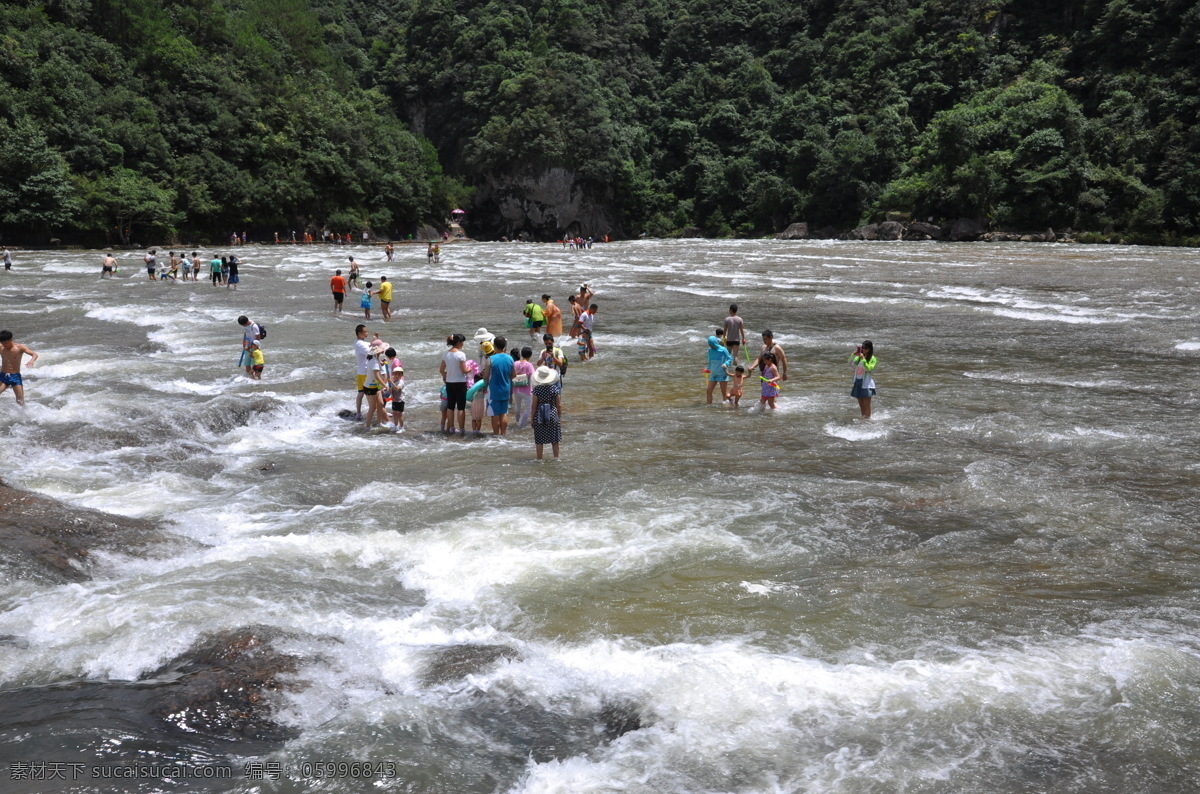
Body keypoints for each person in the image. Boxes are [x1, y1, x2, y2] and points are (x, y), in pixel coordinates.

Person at [439, 333, 470, 434]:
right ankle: (461, 429)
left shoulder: (446, 354)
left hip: (449, 383)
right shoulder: (461, 354)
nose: (463, 344)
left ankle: (451, 428)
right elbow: (464, 370)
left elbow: (441, 369)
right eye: (462, 342)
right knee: (461, 407)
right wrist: (470, 369)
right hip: (460, 383)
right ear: (459, 342)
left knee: (450, 406)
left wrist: (445, 376)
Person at [530, 365, 562, 460]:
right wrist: (559, 416)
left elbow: (534, 407)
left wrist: (532, 419)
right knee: (555, 440)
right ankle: (556, 458)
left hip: (539, 415)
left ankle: (539, 460)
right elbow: (559, 405)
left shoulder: (536, 390)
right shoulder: (554, 389)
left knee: (539, 440)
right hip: (552, 414)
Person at [0, 330, 38, 405]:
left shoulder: (19, 348)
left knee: (20, 401)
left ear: (11, 339)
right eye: (2, 343)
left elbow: (34, 354)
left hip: (15, 376)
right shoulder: (1, 347)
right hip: (3, 376)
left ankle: (24, 415)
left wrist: (32, 361)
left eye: (6, 343)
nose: (4, 345)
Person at [487, 336, 515, 436]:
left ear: (494, 346)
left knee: (495, 414)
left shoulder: (491, 359)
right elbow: (514, 375)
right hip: (506, 389)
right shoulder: (510, 358)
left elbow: (486, 376)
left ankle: (496, 434)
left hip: (493, 390)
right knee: (504, 412)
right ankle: (503, 434)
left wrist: (484, 387)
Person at [850, 340, 877, 419]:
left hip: (866, 384)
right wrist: (853, 355)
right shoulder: (858, 357)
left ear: (870, 349)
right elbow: (851, 364)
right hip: (858, 382)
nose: (864, 350)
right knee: (861, 405)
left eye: (866, 348)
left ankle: (867, 420)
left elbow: (869, 369)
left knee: (866, 405)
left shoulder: (872, 359)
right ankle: (863, 419)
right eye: (863, 348)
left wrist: (863, 359)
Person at [362, 349, 388, 430]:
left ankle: (379, 423)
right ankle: (367, 426)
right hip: (370, 387)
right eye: (381, 350)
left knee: (380, 404)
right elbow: (377, 376)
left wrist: (382, 363)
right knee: (372, 408)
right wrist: (385, 386)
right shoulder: (374, 361)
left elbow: (378, 367)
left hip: (376, 386)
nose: (382, 350)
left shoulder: (375, 359)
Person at [511, 346, 535, 428]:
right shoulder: (529, 365)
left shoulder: (515, 363)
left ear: (521, 354)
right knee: (529, 408)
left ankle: (517, 421)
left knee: (518, 406)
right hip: (526, 390)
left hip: (516, 388)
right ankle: (521, 424)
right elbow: (533, 376)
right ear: (530, 355)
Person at [706, 332, 732, 404]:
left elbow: (730, 358)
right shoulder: (710, 350)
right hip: (714, 374)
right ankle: (709, 407)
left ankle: (728, 405)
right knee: (708, 390)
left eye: (711, 344)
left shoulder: (723, 349)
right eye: (709, 344)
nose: (709, 345)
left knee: (723, 393)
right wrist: (708, 369)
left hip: (722, 373)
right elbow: (710, 360)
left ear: (714, 343)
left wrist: (725, 364)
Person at [383, 347, 404, 431]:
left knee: (385, 396)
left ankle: (383, 411)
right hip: (394, 382)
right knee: (395, 412)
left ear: (389, 356)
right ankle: (395, 425)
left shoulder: (395, 362)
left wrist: (391, 381)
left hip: (396, 383)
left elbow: (397, 373)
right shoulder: (395, 360)